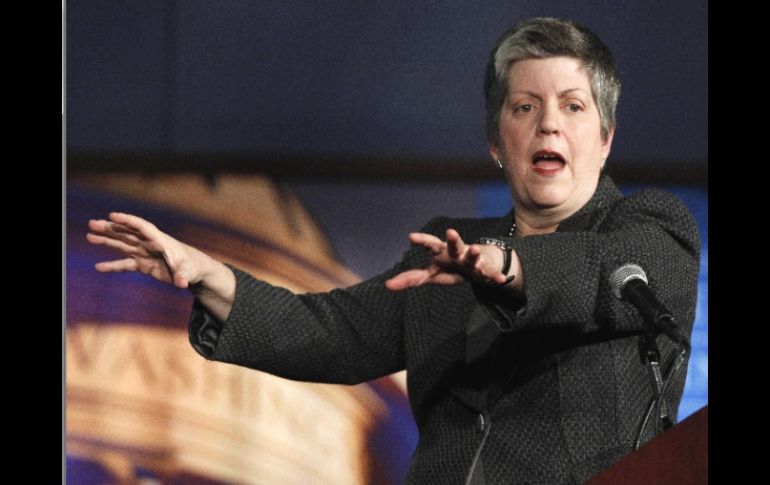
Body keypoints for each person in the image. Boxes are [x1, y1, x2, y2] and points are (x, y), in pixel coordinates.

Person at [86, 17, 700, 484]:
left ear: (605, 139)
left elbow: (606, 275)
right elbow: (330, 332)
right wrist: (211, 276)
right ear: (496, 141)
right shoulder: (447, 252)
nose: (548, 124)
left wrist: (510, 267)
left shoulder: (648, 228)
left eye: (572, 106)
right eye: (524, 107)